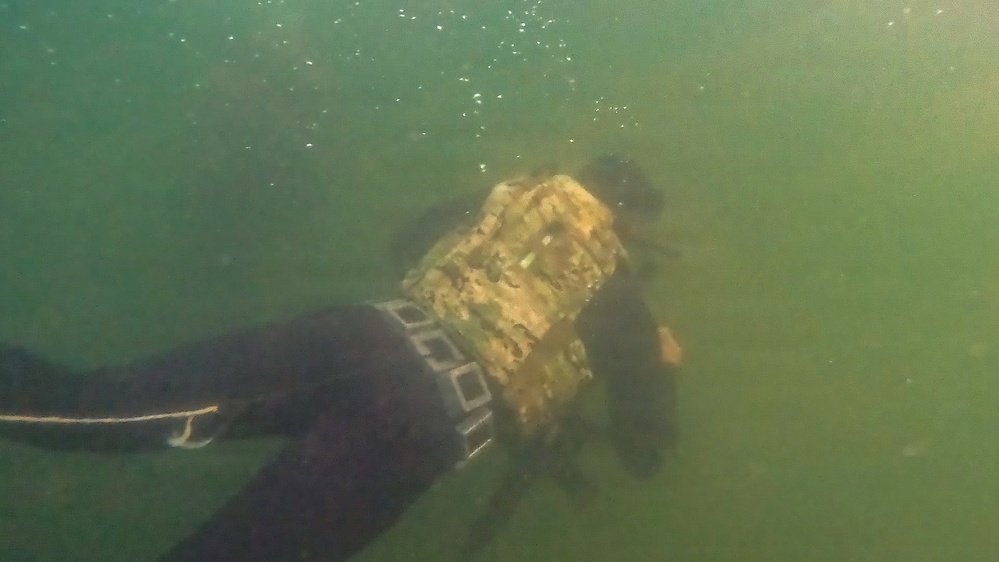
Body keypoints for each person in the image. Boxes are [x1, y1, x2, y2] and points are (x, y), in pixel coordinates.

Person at [0, 155, 681, 562]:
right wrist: (660, 362)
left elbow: (406, 243)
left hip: (360, 335)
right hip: (423, 420)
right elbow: (643, 454)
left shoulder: (507, 204)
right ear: (627, 223)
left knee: (102, 407)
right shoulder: (617, 294)